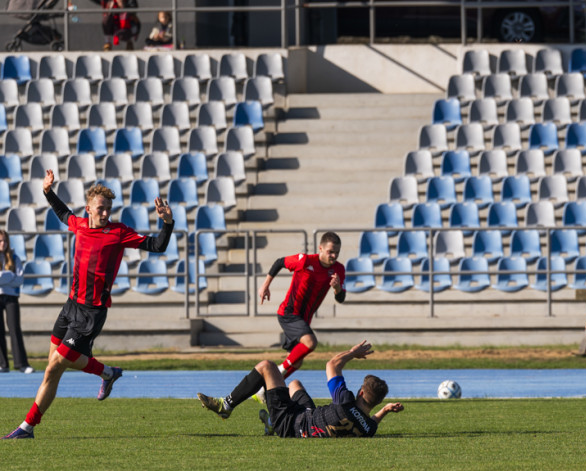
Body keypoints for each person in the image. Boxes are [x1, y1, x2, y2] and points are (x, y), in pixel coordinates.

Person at [4, 171, 173, 439]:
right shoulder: (80, 224)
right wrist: (48, 191)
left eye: (108, 209)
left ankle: (27, 427)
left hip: (92, 312)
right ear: (89, 209)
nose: (105, 214)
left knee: (55, 365)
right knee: (54, 365)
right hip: (70, 306)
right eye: (101, 209)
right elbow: (62, 214)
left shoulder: (119, 233)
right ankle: (107, 373)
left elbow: (157, 245)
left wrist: (167, 223)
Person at [196, 232, 347, 419]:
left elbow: (341, 298)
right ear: (321, 248)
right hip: (289, 313)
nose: (334, 256)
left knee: (297, 360)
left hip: (303, 320)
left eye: (337, 253)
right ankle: (264, 387)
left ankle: (255, 403)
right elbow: (279, 262)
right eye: (331, 251)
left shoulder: (338, 270)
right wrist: (265, 285)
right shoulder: (304, 260)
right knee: (310, 343)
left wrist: (338, 289)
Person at [251, 339, 403, 439]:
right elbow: (372, 421)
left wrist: (352, 353)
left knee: (289, 384)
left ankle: (273, 420)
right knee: (295, 384)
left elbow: (332, 365)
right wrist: (386, 410)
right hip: (313, 417)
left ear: (361, 392)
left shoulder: (345, 401)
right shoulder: (368, 429)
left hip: (300, 424)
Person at [76, 0, 140, 50]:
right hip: (113, 24)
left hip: (127, 25)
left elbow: (134, 8)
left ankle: (129, 42)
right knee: (106, 19)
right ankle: (108, 43)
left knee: (125, 28)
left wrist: (123, 6)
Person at [0, 230, 31, 374]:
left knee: (14, 330)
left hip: (11, 297)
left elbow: (19, 280)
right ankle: (2, 364)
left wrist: (3, 278)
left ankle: (22, 364)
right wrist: (9, 276)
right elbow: (13, 278)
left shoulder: (14, 257)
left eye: (5, 241)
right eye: (0, 241)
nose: (3, 244)